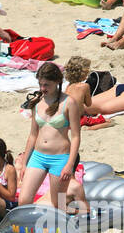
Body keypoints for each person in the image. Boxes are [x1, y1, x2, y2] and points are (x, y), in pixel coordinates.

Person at [16, 62, 82, 208]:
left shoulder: (69, 103)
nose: (42, 89)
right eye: (40, 84)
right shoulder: (37, 103)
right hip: (38, 157)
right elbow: (32, 135)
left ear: (57, 82)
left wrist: (69, 165)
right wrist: (25, 163)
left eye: (46, 85)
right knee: (23, 200)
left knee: (57, 205)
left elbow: (76, 136)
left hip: (60, 158)